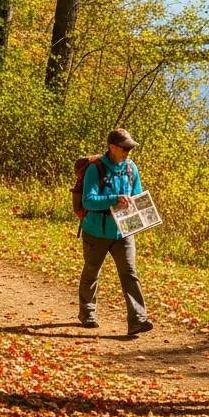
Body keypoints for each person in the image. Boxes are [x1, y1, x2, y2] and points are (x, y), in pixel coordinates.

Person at [77, 128, 154, 337]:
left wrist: (137, 207)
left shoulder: (131, 168)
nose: (129, 151)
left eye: (130, 148)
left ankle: (138, 319)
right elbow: (88, 200)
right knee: (92, 271)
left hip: (124, 231)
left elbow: (137, 195)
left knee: (130, 273)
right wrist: (114, 198)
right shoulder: (96, 169)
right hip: (96, 230)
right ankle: (87, 313)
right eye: (125, 148)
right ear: (112, 147)